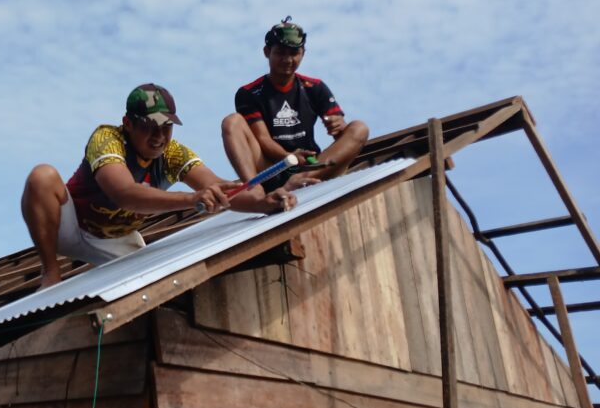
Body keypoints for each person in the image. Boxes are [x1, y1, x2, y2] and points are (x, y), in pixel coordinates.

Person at [22, 83, 307, 287]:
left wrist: (264, 202)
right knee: (42, 176)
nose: (159, 136)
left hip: (117, 242)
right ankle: (50, 274)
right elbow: (125, 195)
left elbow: (220, 188)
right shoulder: (107, 138)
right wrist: (192, 198)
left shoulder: (173, 153)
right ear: (128, 124)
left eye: (167, 127)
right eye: (150, 126)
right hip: (70, 228)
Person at [222, 17, 369, 188]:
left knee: (359, 128)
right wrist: (289, 158)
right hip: (273, 167)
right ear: (267, 52)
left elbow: (339, 130)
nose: (287, 60)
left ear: (303, 54)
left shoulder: (315, 87)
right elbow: (263, 138)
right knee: (232, 122)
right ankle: (254, 191)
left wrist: (338, 126)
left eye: (294, 53)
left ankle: (304, 180)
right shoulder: (249, 93)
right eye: (280, 53)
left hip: (311, 166)